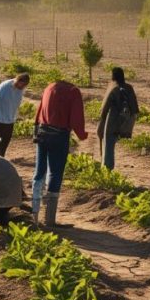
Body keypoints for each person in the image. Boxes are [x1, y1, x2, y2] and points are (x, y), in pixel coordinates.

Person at [32, 80, 88, 226]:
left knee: (39, 172)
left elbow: (39, 111)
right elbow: (76, 119)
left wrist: (35, 129)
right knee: (55, 174)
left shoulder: (49, 86)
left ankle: (34, 215)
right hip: (59, 135)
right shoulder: (73, 91)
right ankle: (49, 219)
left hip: (42, 132)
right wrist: (82, 135)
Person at [96, 67, 139, 170]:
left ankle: (107, 169)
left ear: (113, 76)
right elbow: (135, 108)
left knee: (108, 142)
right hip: (127, 120)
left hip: (113, 119)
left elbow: (105, 108)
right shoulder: (129, 87)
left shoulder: (113, 87)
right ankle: (107, 167)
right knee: (112, 141)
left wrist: (101, 124)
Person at [0, 72, 30, 157]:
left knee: (6, 140)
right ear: (17, 80)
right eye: (21, 85)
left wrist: (17, 115)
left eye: (24, 86)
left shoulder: (20, 90)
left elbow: (16, 103)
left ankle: (0, 155)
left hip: (11, 119)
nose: (22, 87)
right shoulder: (5, 86)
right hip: (0, 117)